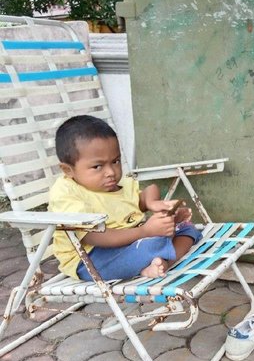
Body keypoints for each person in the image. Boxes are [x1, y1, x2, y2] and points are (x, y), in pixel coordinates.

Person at [49, 115, 202, 281]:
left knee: (187, 229)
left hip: (132, 243)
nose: (111, 172)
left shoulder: (116, 183)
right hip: (90, 258)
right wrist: (145, 231)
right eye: (97, 166)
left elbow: (150, 190)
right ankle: (155, 259)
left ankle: (160, 264)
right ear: (68, 170)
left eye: (115, 161)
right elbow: (93, 236)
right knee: (149, 245)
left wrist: (154, 204)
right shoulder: (66, 194)